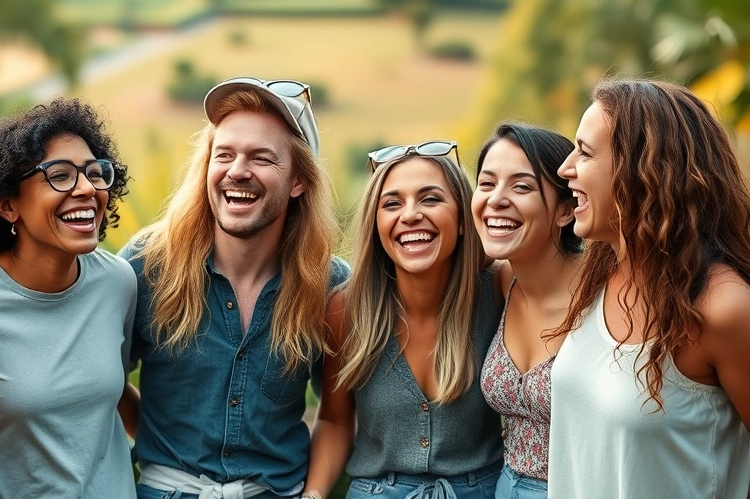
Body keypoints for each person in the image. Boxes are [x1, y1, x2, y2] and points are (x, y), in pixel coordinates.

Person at [120, 77, 348, 499]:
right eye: (224, 154)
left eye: (262, 158)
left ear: (298, 181)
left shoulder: (330, 287)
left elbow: (335, 417)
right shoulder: (146, 264)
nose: (237, 171)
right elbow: (103, 379)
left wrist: (314, 497)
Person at [0, 99, 138, 499]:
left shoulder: (117, 281)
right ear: (8, 205)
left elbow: (111, 395)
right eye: (60, 176)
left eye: (93, 173)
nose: (86, 188)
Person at [550, 79, 750, 498]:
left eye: (585, 153)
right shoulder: (599, 271)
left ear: (644, 172)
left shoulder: (723, 307)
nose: (565, 168)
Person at [304, 142, 503, 499]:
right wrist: (313, 494)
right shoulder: (345, 309)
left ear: (462, 218)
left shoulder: (501, 291)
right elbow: (335, 420)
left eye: (430, 199)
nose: (410, 214)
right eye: (392, 203)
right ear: (376, 224)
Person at [472, 124, 581, 499]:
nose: (496, 199)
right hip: (506, 488)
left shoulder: (606, 290)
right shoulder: (504, 282)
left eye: (522, 187)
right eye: (486, 184)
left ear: (566, 210)